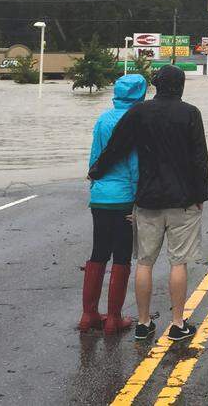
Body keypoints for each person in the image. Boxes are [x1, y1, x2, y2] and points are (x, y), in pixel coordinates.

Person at [88, 65, 208, 342]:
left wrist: (96, 171)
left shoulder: (139, 112)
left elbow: (116, 149)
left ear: (155, 86)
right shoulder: (190, 113)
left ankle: (143, 324)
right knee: (178, 262)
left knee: (144, 262)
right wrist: (201, 195)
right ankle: (178, 324)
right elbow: (200, 159)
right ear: (181, 87)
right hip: (183, 200)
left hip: (147, 199)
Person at [79, 74, 147, 335]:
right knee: (121, 255)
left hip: (100, 196)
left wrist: (95, 185)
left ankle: (89, 314)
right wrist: (138, 200)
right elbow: (135, 164)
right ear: (140, 94)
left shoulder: (103, 118)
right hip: (124, 197)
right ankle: (114, 318)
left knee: (98, 252)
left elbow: (95, 157)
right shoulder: (137, 121)